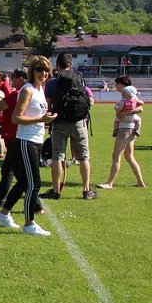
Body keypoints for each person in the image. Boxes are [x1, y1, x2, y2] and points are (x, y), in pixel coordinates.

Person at [0, 55, 58, 237]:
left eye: (46, 70)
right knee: (34, 183)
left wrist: (46, 120)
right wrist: (41, 119)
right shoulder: (28, 90)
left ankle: (3, 214)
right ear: (32, 71)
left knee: (23, 182)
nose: (43, 73)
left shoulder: (40, 90)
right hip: (25, 140)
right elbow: (16, 118)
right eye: (39, 69)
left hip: (35, 140)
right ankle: (29, 224)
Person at [0, 68, 43, 215]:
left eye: (13, 77)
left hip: (15, 136)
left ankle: (35, 206)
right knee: (8, 171)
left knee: (21, 175)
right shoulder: (28, 92)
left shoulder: (18, 93)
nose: (11, 80)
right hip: (17, 136)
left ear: (21, 78)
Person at [44, 53, 97, 201]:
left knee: (57, 157)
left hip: (59, 121)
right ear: (71, 64)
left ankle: (55, 190)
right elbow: (89, 99)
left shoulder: (51, 83)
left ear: (57, 66)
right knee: (84, 157)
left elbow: (48, 106)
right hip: (79, 122)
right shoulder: (79, 79)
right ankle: (86, 190)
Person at [96, 76, 146, 189]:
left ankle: (109, 183)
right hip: (130, 128)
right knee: (129, 156)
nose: (116, 86)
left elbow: (140, 109)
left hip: (125, 129)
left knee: (116, 156)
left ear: (124, 85)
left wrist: (124, 114)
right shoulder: (127, 97)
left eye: (118, 84)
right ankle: (140, 182)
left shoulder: (129, 96)